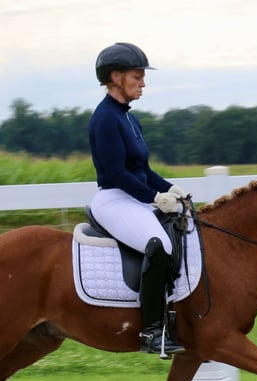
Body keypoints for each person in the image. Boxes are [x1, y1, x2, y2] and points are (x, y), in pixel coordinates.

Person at [88, 42, 188, 356]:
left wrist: (172, 190)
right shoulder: (106, 118)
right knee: (159, 245)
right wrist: (154, 197)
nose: (143, 83)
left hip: (133, 197)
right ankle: (152, 332)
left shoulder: (129, 118)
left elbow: (143, 169)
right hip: (114, 199)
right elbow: (117, 173)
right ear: (116, 77)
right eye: (137, 76)